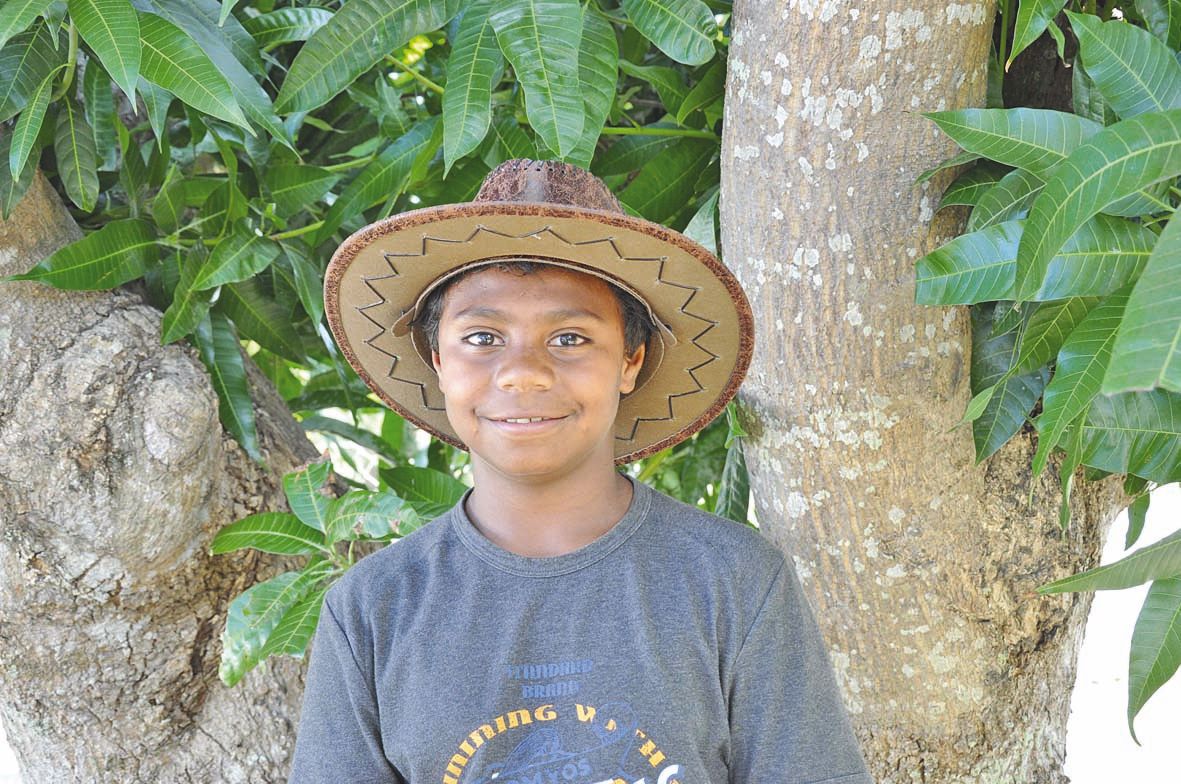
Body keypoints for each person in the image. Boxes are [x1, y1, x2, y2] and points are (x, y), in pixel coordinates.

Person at [289, 159, 872, 784]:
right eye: (483, 338)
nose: (523, 372)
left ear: (630, 360)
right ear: (437, 360)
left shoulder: (732, 583)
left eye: (569, 338)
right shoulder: (374, 609)